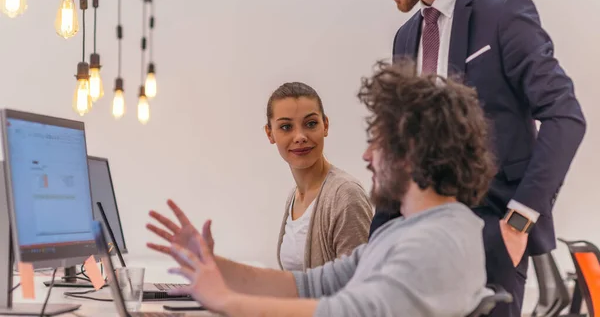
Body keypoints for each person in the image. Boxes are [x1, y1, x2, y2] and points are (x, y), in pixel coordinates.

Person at [354, 0, 587, 316]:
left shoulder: (504, 13)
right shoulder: (405, 38)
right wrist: (379, 238)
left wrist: (519, 220)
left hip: (491, 232)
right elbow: (401, 146)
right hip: (415, 236)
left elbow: (565, 115)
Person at [146, 60, 496, 317]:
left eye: (378, 142)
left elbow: (347, 312)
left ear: (411, 149)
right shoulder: (410, 231)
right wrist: (212, 266)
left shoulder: (434, 243)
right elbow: (312, 285)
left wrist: (225, 300)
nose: (367, 155)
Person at [264, 82, 373, 270]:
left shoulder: (346, 195)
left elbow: (358, 286)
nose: (299, 136)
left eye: (311, 124)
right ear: (270, 133)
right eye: (286, 127)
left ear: (325, 125)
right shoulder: (294, 197)